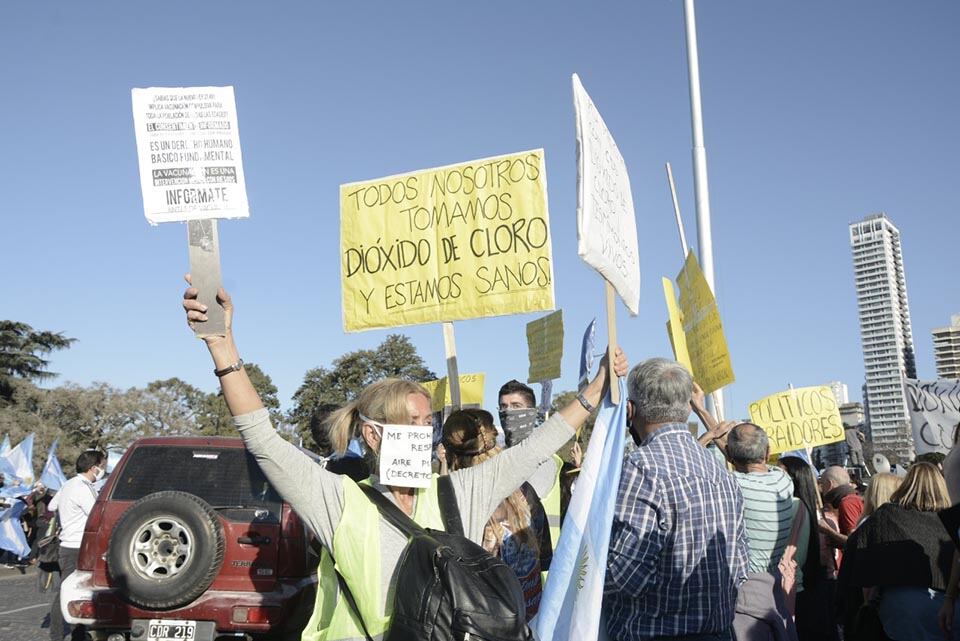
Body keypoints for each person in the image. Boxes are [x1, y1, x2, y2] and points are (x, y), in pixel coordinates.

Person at [181, 280, 627, 641]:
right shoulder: (338, 501)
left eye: (427, 421)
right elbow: (263, 440)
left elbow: (535, 446)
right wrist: (223, 351)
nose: (423, 432)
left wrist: (591, 394)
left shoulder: (461, 492)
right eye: (410, 422)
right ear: (373, 435)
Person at [604, 358, 749, 641]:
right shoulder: (720, 472)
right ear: (686, 407)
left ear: (630, 410)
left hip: (655, 632)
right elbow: (740, 565)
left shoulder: (642, 467)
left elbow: (626, 576)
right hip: (720, 632)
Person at [442, 408, 548, 621]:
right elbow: (545, 557)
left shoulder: (457, 501)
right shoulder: (525, 491)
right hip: (532, 619)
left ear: (451, 454)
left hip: (488, 625)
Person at [838, 462, 959, 641]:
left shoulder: (885, 516)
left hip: (901, 612)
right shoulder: (952, 521)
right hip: (949, 609)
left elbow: (859, 559)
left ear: (907, 484)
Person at [723, 423, 798, 641]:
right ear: (767, 452)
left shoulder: (731, 485)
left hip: (746, 597)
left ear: (728, 454)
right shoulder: (783, 481)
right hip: (773, 588)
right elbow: (740, 456)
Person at [779, 456, 840, 641]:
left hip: (793, 588)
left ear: (794, 478)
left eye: (780, 473)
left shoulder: (793, 505)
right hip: (808, 586)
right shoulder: (806, 507)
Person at [498, 379, 565, 549]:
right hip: (504, 564)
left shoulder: (550, 463)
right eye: (503, 407)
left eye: (516, 406)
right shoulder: (495, 461)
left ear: (531, 413)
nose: (508, 413)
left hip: (544, 566)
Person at [48, 449, 105, 641]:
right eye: (101, 466)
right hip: (79, 545)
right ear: (93, 468)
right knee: (73, 591)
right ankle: (64, 635)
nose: (102, 470)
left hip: (66, 544)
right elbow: (97, 514)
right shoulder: (84, 487)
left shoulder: (68, 484)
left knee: (69, 589)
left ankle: (76, 634)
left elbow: (51, 506)